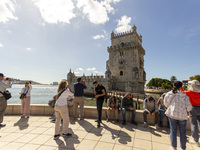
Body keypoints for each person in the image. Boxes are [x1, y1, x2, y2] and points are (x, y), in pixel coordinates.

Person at [164, 81, 192, 150]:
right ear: (181, 87)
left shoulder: (169, 94)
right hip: (182, 116)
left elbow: (166, 104)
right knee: (183, 133)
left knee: (173, 131)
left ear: (173, 86)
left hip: (172, 115)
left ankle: (174, 147)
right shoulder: (184, 95)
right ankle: (183, 148)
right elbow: (189, 107)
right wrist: (185, 110)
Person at [181, 80, 200, 147]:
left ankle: (195, 140)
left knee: (194, 124)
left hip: (193, 108)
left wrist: (181, 85)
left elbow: (182, 92)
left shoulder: (190, 92)